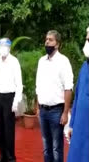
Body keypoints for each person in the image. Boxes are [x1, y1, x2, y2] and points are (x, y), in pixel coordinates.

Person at [36, 30, 73, 162]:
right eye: (46, 39)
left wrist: (65, 113)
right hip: (43, 111)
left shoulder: (63, 62)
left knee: (57, 148)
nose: (47, 42)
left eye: (50, 40)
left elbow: (68, 88)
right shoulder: (41, 61)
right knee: (46, 147)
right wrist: (38, 107)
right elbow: (38, 85)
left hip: (57, 111)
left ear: (57, 44)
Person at [0, 38, 23, 162]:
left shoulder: (14, 62)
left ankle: (11, 157)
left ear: (9, 48)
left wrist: (16, 101)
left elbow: (19, 83)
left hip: (10, 97)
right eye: (1, 46)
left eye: (5, 46)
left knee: (9, 128)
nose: (2, 48)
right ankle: (2, 155)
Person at [67, 27, 89, 162]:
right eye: (87, 39)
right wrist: (72, 124)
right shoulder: (84, 67)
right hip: (80, 128)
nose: (87, 43)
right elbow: (77, 98)